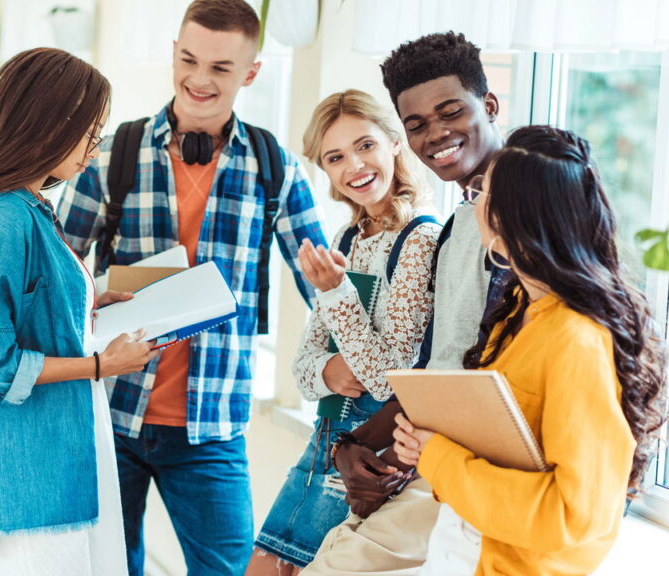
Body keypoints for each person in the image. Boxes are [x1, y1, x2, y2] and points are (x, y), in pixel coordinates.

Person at [57, 1, 328, 573]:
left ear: (251, 73)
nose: (200, 80)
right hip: (111, 410)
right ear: (174, 54)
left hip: (212, 427)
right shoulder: (113, 154)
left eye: (222, 69)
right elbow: (56, 269)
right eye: (189, 60)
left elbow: (321, 290)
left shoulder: (274, 166)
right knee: (102, 566)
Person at [0, 47, 159, 576]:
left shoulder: (30, 209)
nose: (93, 152)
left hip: (58, 450)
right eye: (90, 135)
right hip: (30, 469)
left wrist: (86, 308)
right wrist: (102, 365)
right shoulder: (4, 216)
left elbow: (29, 315)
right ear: (49, 123)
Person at [393, 124, 668, 575]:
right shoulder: (520, 307)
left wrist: (438, 457)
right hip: (465, 548)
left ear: (512, 218)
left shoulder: (578, 341)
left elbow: (574, 514)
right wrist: (428, 443)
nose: (475, 199)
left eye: (485, 192)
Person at [299, 32, 507, 576]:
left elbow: (400, 374)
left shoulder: (470, 222)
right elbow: (444, 368)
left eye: (450, 112)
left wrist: (333, 294)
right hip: (423, 453)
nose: (436, 134)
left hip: (479, 472)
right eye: (418, 124)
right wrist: (355, 444)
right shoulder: (463, 222)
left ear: (489, 106)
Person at [246, 90, 439, 576]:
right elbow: (304, 368)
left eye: (365, 145)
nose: (354, 165)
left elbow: (387, 379)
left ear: (395, 143)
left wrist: (334, 294)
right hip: (325, 436)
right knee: (266, 567)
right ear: (325, 171)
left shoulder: (421, 240)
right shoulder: (346, 240)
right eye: (336, 157)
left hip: (368, 452)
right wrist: (329, 371)